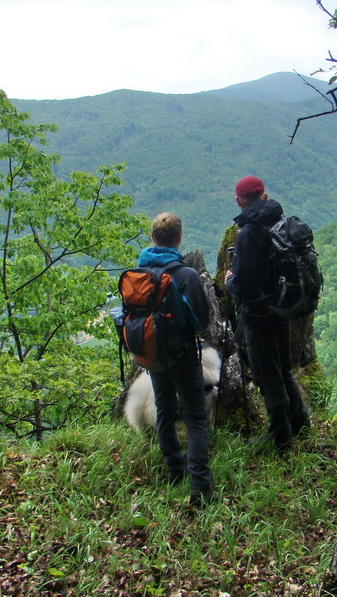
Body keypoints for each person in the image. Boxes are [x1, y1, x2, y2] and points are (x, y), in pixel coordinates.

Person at [225, 175, 310, 451]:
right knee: (282, 369)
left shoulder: (249, 233)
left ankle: (280, 438)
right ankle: (300, 423)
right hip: (281, 308)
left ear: (239, 202)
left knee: (266, 375)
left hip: (259, 314)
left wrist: (228, 280)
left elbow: (242, 284)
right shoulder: (278, 222)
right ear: (264, 196)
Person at [139, 212, 212, 505]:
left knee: (164, 410)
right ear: (178, 239)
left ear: (153, 238)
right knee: (195, 419)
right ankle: (200, 488)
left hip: (153, 355)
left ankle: (174, 468)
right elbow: (202, 321)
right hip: (182, 354)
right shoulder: (187, 276)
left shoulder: (138, 273)